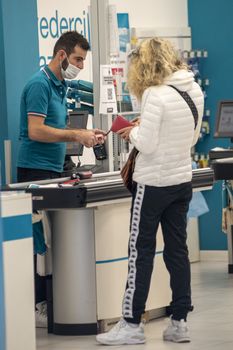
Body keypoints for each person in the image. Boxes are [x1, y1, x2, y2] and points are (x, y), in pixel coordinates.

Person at [96, 37, 204, 345]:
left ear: (144, 64)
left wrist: (131, 132)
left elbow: (147, 143)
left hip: (152, 185)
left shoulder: (155, 94)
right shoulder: (194, 90)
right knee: (177, 251)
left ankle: (131, 323)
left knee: (140, 253)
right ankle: (180, 322)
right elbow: (192, 137)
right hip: (182, 181)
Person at [17, 31, 105, 327]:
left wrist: (87, 136)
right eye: (78, 58)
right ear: (62, 55)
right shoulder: (39, 84)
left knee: (54, 240)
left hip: (55, 170)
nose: (80, 64)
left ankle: (52, 301)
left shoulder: (61, 86)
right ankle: (38, 305)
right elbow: (36, 131)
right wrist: (74, 134)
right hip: (35, 172)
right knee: (40, 240)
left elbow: (57, 127)